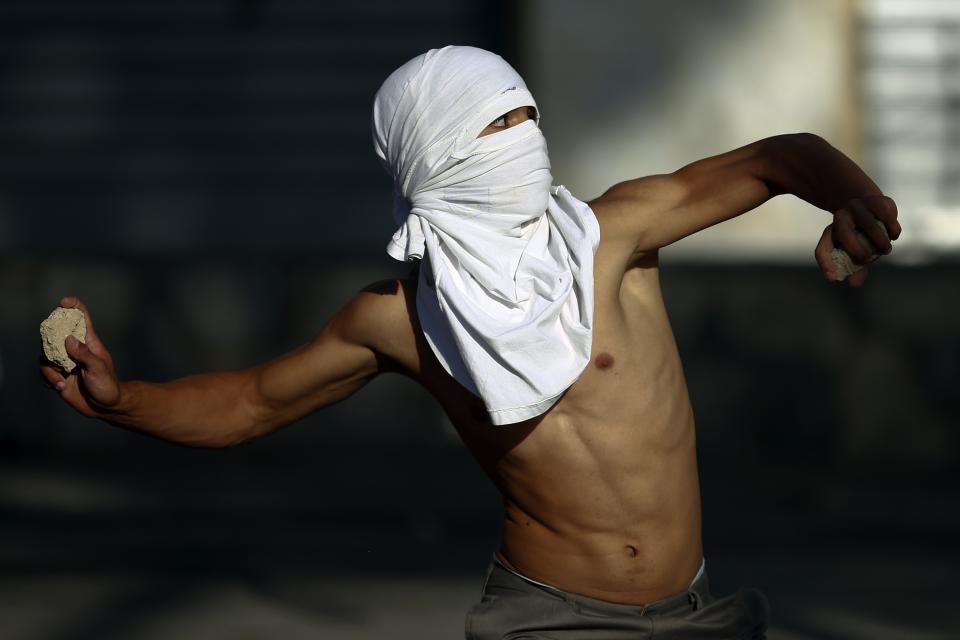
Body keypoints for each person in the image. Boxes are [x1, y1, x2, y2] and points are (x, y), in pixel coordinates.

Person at [39, 46, 900, 639]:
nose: (526, 138)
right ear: (432, 154)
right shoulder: (399, 319)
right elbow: (251, 403)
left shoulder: (616, 234)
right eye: (498, 125)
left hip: (696, 611)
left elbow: (777, 157)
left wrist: (850, 198)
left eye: (528, 115)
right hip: (551, 619)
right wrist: (125, 402)